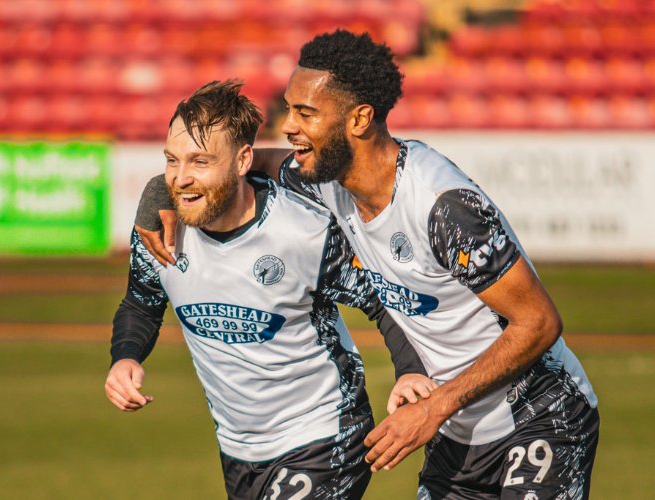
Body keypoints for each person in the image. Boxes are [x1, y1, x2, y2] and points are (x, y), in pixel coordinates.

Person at [137, 31, 599, 499]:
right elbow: (238, 166)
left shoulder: (442, 207)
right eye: (289, 108)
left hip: (542, 416)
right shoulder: (327, 179)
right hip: (457, 434)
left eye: (306, 113)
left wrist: (434, 407)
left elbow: (539, 322)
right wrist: (158, 191)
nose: (289, 126)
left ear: (359, 119)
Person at [105, 80, 428, 500]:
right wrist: (125, 356)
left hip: (325, 434)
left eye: (200, 162)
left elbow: (385, 300)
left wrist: (411, 371)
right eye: (171, 160)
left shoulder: (304, 232)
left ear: (243, 160)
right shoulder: (160, 230)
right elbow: (141, 302)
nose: (180, 179)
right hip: (239, 450)